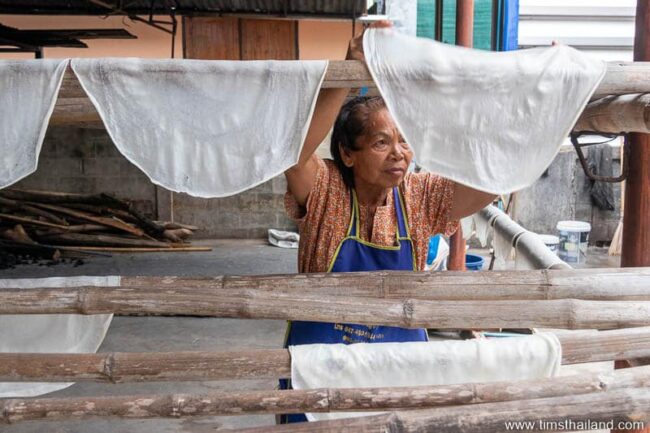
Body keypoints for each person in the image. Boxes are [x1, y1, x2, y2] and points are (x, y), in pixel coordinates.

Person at [279, 21, 495, 423]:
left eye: (404, 140)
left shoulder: (421, 194)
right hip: (321, 367)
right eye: (381, 142)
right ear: (347, 153)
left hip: (397, 363)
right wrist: (349, 68)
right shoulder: (325, 187)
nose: (398, 153)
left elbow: (491, 181)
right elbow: (293, 152)